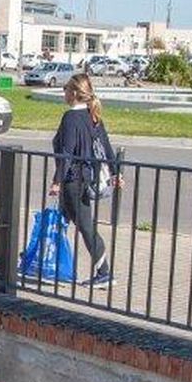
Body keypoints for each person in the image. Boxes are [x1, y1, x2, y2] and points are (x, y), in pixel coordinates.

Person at [49, 72, 122, 286]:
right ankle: (41, 259)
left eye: (65, 89)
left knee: (85, 226)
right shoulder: (93, 115)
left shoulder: (71, 117)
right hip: (86, 178)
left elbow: (67, 152)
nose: (63, 93)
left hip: (74, 180)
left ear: (73, 93)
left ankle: (104, 272)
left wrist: (57, 181)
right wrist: (116, 173)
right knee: (58, 220)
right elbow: (107, 147)